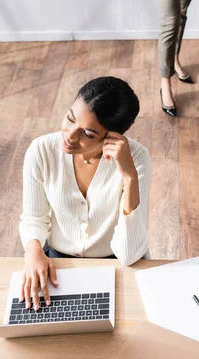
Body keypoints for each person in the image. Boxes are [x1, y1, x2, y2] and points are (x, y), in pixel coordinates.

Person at [19, 77, 151, 310]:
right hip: (57, 264)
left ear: (113, 136)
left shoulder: (136, 159)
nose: (70, 136)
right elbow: (34, 218)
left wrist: (129, 177)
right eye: (70, 118)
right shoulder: (41, 151)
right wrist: (33, 250)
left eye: (88, 134)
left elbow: (129, 254)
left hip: (116, 264)